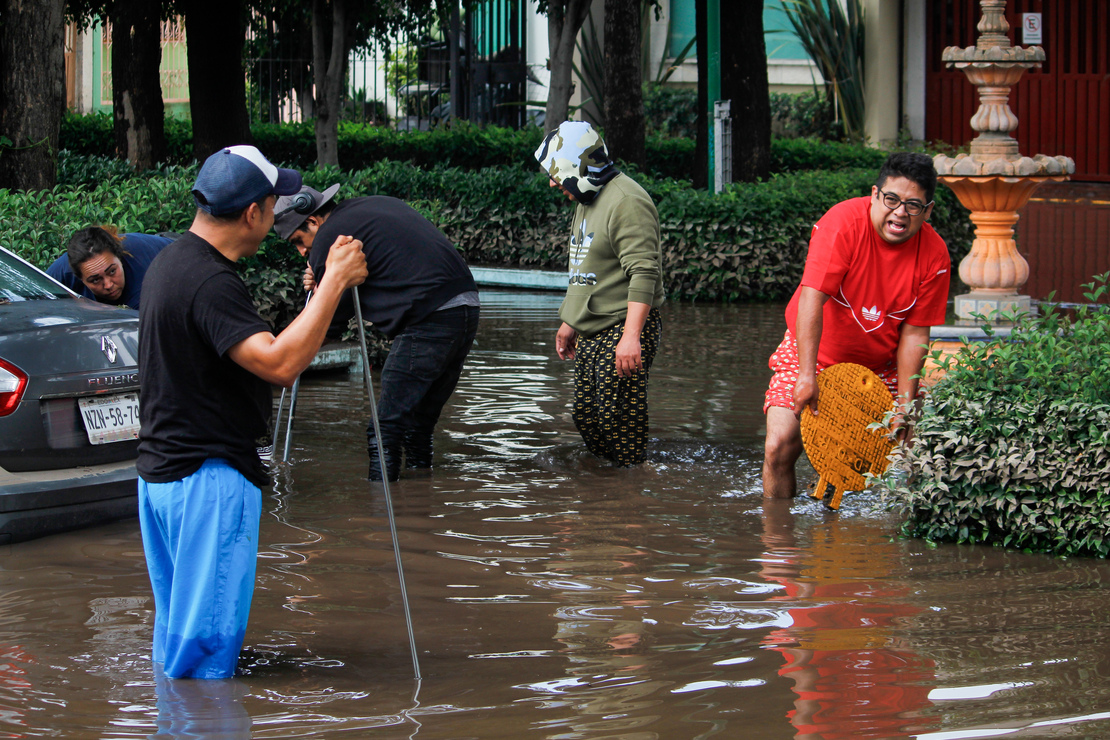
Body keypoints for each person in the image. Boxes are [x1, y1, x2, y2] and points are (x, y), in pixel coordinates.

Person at [137, 145, 368, 679]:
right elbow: (280, 363)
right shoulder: (212, 282)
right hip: (207, 480)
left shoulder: (170, 262)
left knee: (178, 641)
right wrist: (333, 283)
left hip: (162, 478)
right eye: (273, 204)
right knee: (207, 654)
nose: (276, 217)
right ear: (252, 213)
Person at [762, 152, 951, 498]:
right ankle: (778, 542)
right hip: (814, 353)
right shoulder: (842, 224)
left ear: (928, 211)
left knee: (906, 458)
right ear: (875, 194)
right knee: (779, 446)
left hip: (882, 365)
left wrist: (905, 406)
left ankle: (876, 545)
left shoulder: (935, 255)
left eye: (913, 205)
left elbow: (914, 334)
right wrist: (806, 375)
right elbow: (811, 298)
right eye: (891, 199)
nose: (900, 213)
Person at [273, 184, 480, 482]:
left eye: (299, 240)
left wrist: (320, 286)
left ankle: (380, 516)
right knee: (417, 424)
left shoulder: (331, 240)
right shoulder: (365, 208)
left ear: (314, 221)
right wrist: (323, 278)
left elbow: (328, 323)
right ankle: (420, 500)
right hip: (466, 307)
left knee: (384, 428)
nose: (302, 251)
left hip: (430, 317)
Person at [533, 120, 665, 467]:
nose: (552, 182)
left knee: (619, 421)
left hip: (623, 326)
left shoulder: (626, 201)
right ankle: (606, 493)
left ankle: (631, 498)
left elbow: (643, 270)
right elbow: (587, 267)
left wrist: (631, 337)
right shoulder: (588, 198)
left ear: (578, 166)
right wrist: (570, 321)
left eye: (557, 173)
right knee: (587, 415)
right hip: (592, 327)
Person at [46, 226, 172, 309]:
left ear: (120, 258)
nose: (108, 285)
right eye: (95, 280)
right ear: (80, 278)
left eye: (112, 271)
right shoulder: (62, 271)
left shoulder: (142, 265)